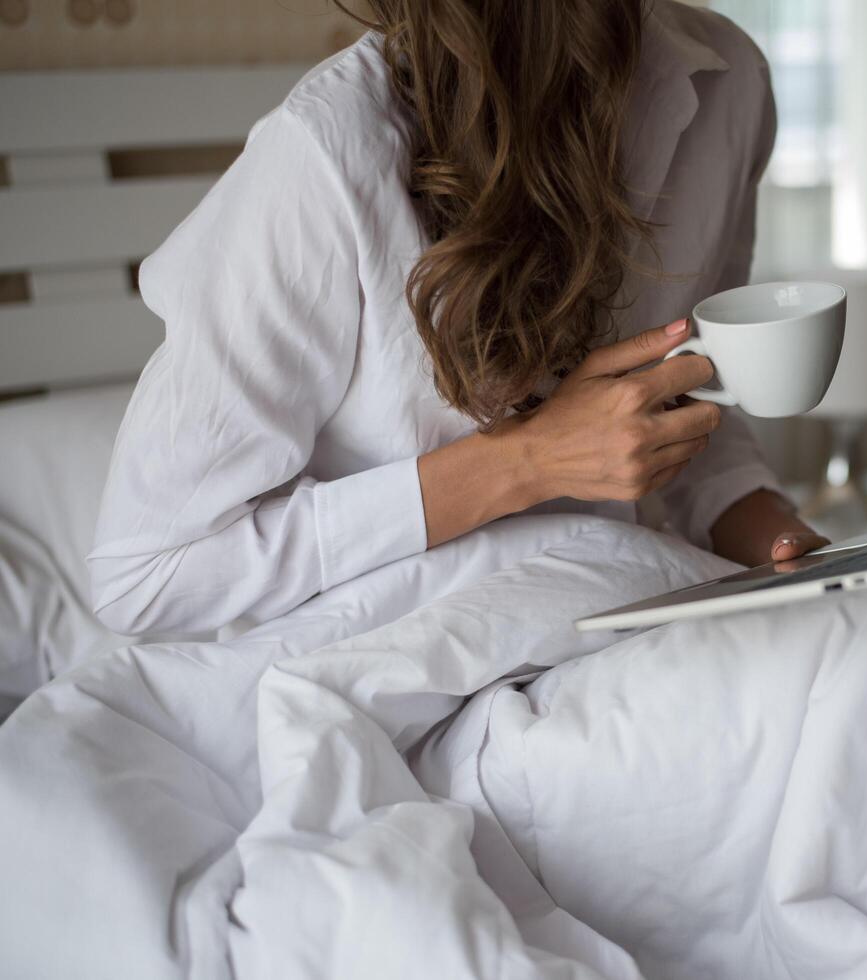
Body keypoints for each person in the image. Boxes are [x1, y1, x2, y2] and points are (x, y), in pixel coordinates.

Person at [88, 0, 827, 637]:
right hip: (398, 656)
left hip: (624, 613)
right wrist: (526, 461)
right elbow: (147, 576)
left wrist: (794, 552)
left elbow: (689, 408)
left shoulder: (730, 80)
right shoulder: (330, 148)